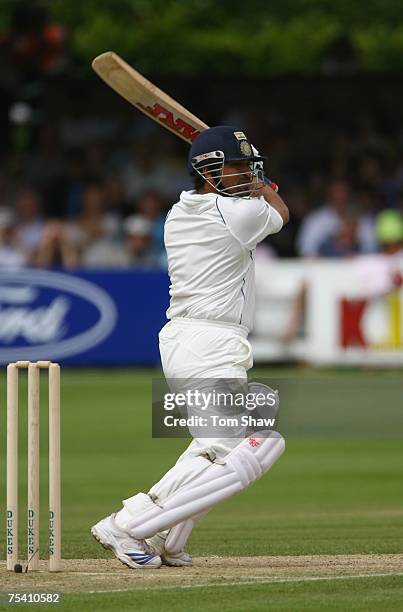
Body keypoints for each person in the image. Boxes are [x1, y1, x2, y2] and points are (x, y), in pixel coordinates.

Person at [91, 126, 289, 569]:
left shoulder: (182, 209)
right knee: (246, 443)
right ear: (208, 171)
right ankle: (129, 522)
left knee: (216, 443)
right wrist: (267, 188)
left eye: (248, 167)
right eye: (237, 168)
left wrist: (251, 182)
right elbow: (282, 212)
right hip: (209, 340)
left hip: (195, 339)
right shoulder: (237, 213)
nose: (246, 176)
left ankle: (169, 537)